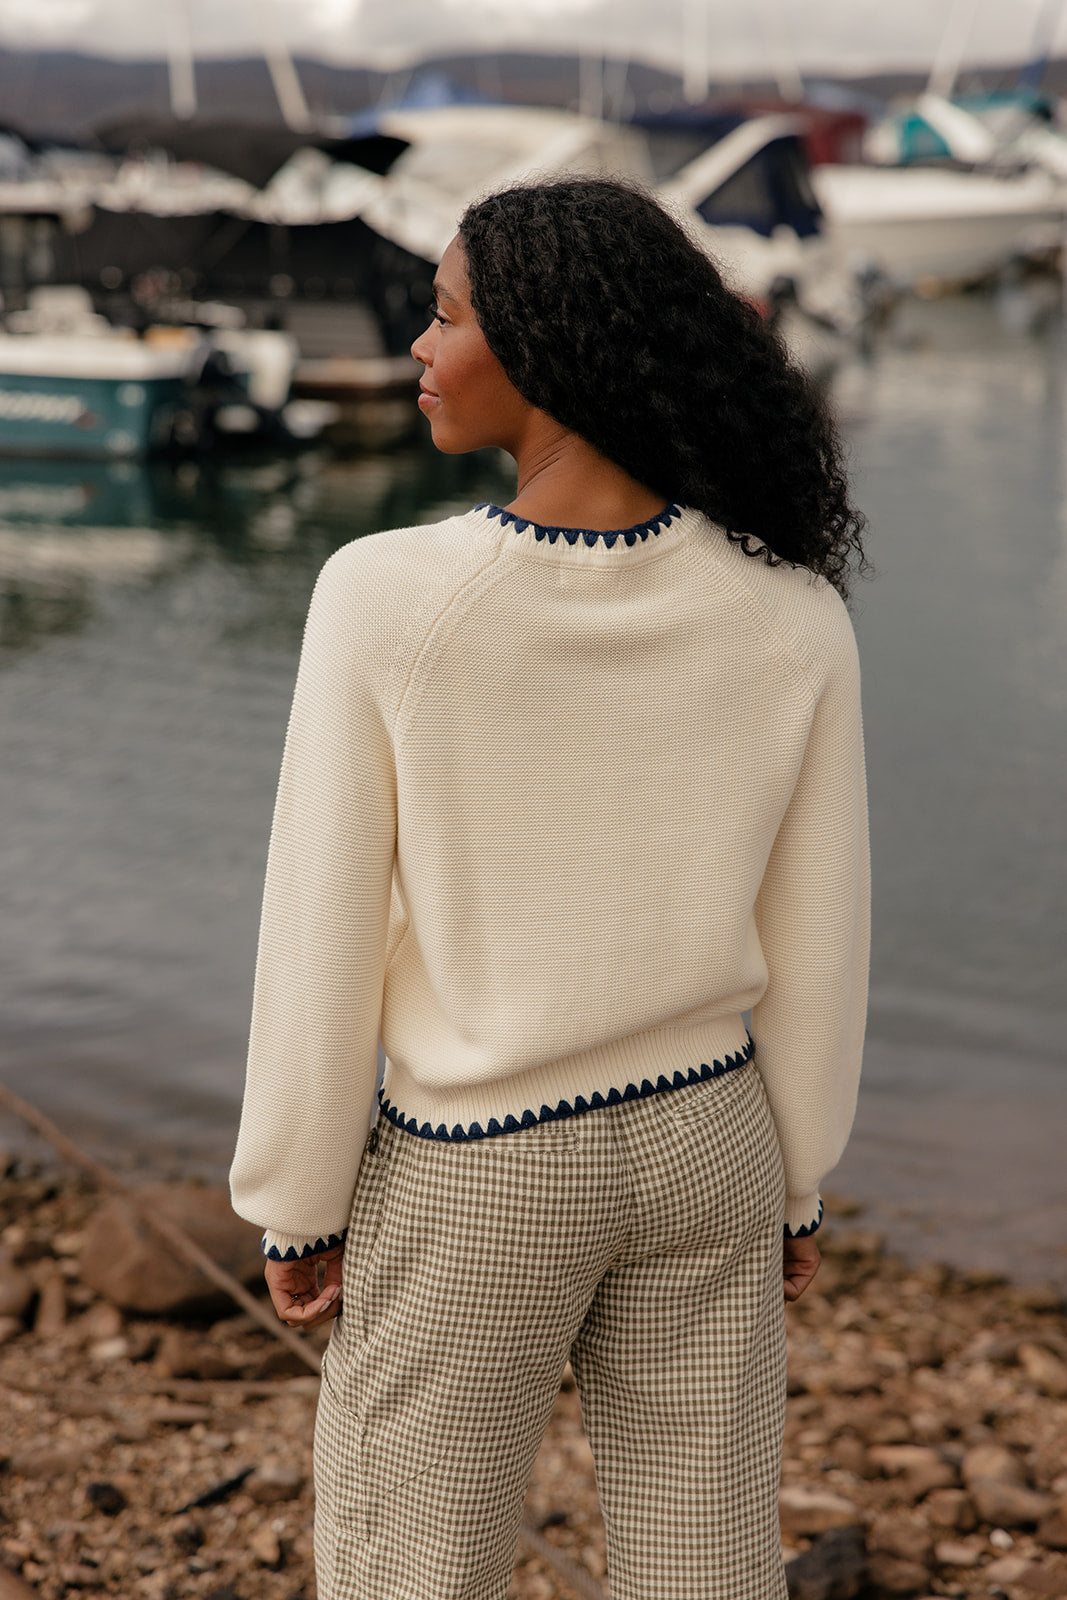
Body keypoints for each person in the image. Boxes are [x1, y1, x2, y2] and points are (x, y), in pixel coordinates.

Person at [229, 176, 869, 1600]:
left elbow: (324, 928)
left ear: (545, 348)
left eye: (446, 316)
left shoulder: (386, 596)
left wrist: (297, 1196)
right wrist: (799, 1183)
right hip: (711, 1144)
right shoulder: (794, 614)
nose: (419, 346)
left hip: (483, 1165)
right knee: (706, 1570)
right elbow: (819, 937)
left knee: (411, 1569)